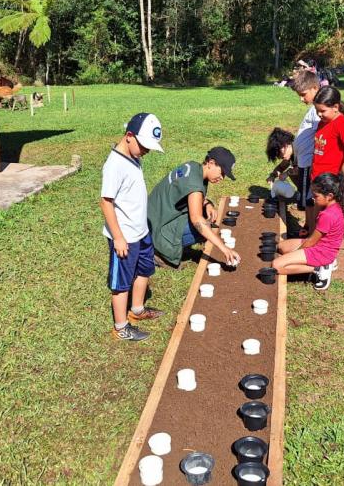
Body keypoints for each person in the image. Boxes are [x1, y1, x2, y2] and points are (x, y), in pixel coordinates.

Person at [100, 113, 165, 341]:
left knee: (145, 270)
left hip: (141, 231)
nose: (147, 151)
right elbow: (106, 202)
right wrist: (118, 237)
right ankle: (121, 327)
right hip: (125, 236)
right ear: (129, 136)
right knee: (121, 283)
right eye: (144, 145)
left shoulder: (134, 157)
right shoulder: (114, 165)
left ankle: (137, 310)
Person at [148, 147, 241, 269]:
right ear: (211, 163)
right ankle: (160, 253)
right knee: (204, 228)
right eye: (222, 172)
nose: (222, 177)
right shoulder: (195, 184)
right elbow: (197, 220)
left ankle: (169, 245)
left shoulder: (193, 167)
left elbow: (185, 195)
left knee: (205, 219)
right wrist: (224, 248)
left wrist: (207, 204)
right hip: (156, 230)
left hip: (153, 218)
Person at [272, 173, 344, 290]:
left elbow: (311, 241)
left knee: (276, 266)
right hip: (321, 245)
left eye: (316, 196)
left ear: (329, 196)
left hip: (321, 252)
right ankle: (319, 264)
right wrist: (305, 230)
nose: (313, 198)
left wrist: (295, 252)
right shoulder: (334, 206)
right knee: (281, 247)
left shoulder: (328, 215)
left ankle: (319, 268)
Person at [290, 69, 322, 237]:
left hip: (309, 162)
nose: (302, 99)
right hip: (303, 161)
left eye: (303, 95)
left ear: (315, 88)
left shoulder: (319, 109)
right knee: (307, 197)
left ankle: (310, 229)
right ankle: (308, 225)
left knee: (309, 198)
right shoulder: (314, 108)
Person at [265, 128, 301, 201]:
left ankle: (308, 196)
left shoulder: (300, 148)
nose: (279, 157)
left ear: (285, 145)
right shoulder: (290, 153)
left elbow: (306, 168)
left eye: (279, 153)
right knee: (292, 172)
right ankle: (303, 192)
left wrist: (287, 172)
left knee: (293, 172)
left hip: (318, 176)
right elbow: (281, 167)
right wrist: (273, 176)